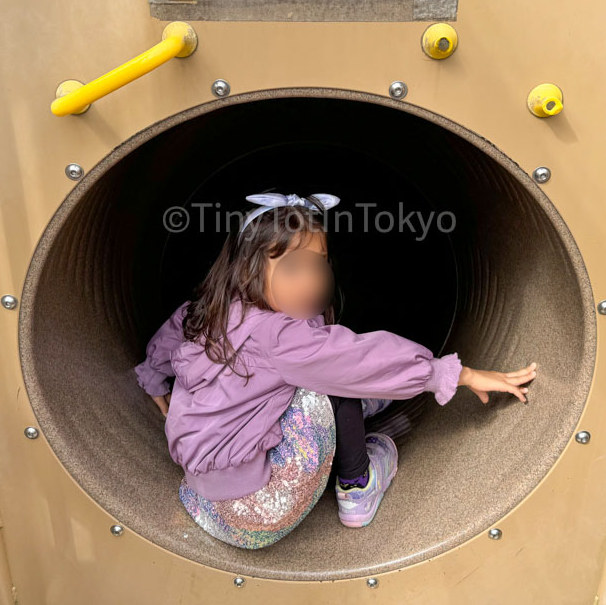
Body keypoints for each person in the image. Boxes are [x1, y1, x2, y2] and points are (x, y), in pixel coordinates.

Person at [133, 191, 537, 549]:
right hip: (261, 509)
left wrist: (156, 384)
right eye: (292, 268)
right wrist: (453, 374)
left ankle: (364, 405)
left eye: (318, 265)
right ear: (247, 270)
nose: (310, 281)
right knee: (330, 375)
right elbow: (357, 357)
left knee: (314, 371)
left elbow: (167, 342)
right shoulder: (280, 336)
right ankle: (357, 486)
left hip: (204, 505)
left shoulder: (205, 313)